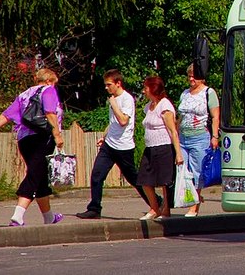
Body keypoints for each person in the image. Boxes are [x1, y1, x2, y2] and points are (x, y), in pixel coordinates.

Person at [0, 68, 65, 227]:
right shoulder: (48, 90)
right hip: (42, 139)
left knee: (40, 177)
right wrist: (57, 135)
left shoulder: (24, 95)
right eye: (54, 83)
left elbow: (6, 116)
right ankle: (18, 215)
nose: (54, 87)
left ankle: (49, 217)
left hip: (24, 140)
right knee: (34, 175)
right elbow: (50, 113)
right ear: (49, 81)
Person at [77, 69, 152, 219]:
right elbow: (113, 123)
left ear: (118, 83)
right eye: (105, 85)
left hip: (123, 147)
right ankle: (94, 208)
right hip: (109, 145)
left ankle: (156, 202)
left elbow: (123, 121)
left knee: (133, 178)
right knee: (97, 174)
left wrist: (114, 105)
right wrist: (105, 136)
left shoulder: (126, 99)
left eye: (109, 84)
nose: (106, 88)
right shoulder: (113, 99)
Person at [137, 76, 183, 220]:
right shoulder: (148, 107)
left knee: (164, 181)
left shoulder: (165, 105)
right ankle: (154, 208)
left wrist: (178, 153)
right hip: (150, 148)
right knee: (144, 179)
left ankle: (166, 210)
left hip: (164, 148)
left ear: (153, 88)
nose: (144, 91)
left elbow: (173, 131)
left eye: (146, 88)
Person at [177, 63, 220, 217]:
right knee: (184, 172)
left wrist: (215, 136)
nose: (191, 78)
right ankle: (194, 199)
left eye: (194, 75)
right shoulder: (185, 94)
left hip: (200, 137)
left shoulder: (209, 92)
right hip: (183, 137)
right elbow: (180, 117)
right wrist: (175, 135)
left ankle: (194, 207)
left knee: (197, 172)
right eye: (189, 75)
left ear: (202, 77)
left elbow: (215, 116)